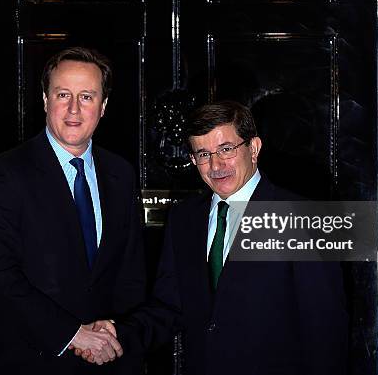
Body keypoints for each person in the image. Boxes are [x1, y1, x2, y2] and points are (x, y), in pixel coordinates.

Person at [84, 100, 348, 374]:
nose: (216, 165)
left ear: (254, 148)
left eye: (226, 149)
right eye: (203, 154)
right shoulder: (184, 220)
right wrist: (119, 333)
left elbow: (325, 328)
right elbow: (170, 305)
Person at [0, 47, 145, 375]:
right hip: (26, 360)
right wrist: (74, 335)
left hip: (104, 361)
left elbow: (130, 274)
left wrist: (117, 334)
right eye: (63, 94)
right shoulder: (7, 172)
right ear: (46, 99)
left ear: (104, 106)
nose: (74, 109)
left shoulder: (121, 174)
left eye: (87, 97)